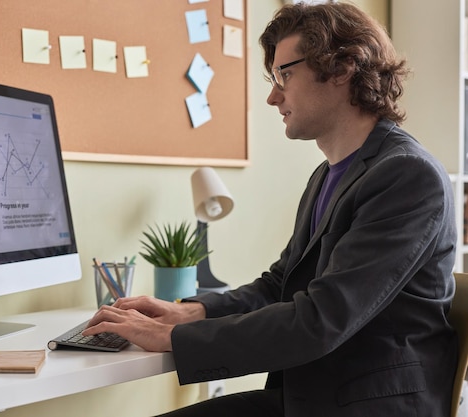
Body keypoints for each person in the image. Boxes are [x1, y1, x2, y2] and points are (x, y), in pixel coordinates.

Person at [83, 3, 458, 416]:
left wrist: (172, 339)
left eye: (285, 74)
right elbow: (280, 285)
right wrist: (190, 311)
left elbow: (320, 319)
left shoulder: (406, 176)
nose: (272, 96)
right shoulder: (328, 174)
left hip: (368, 405)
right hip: (316, 394)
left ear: (342, 68)